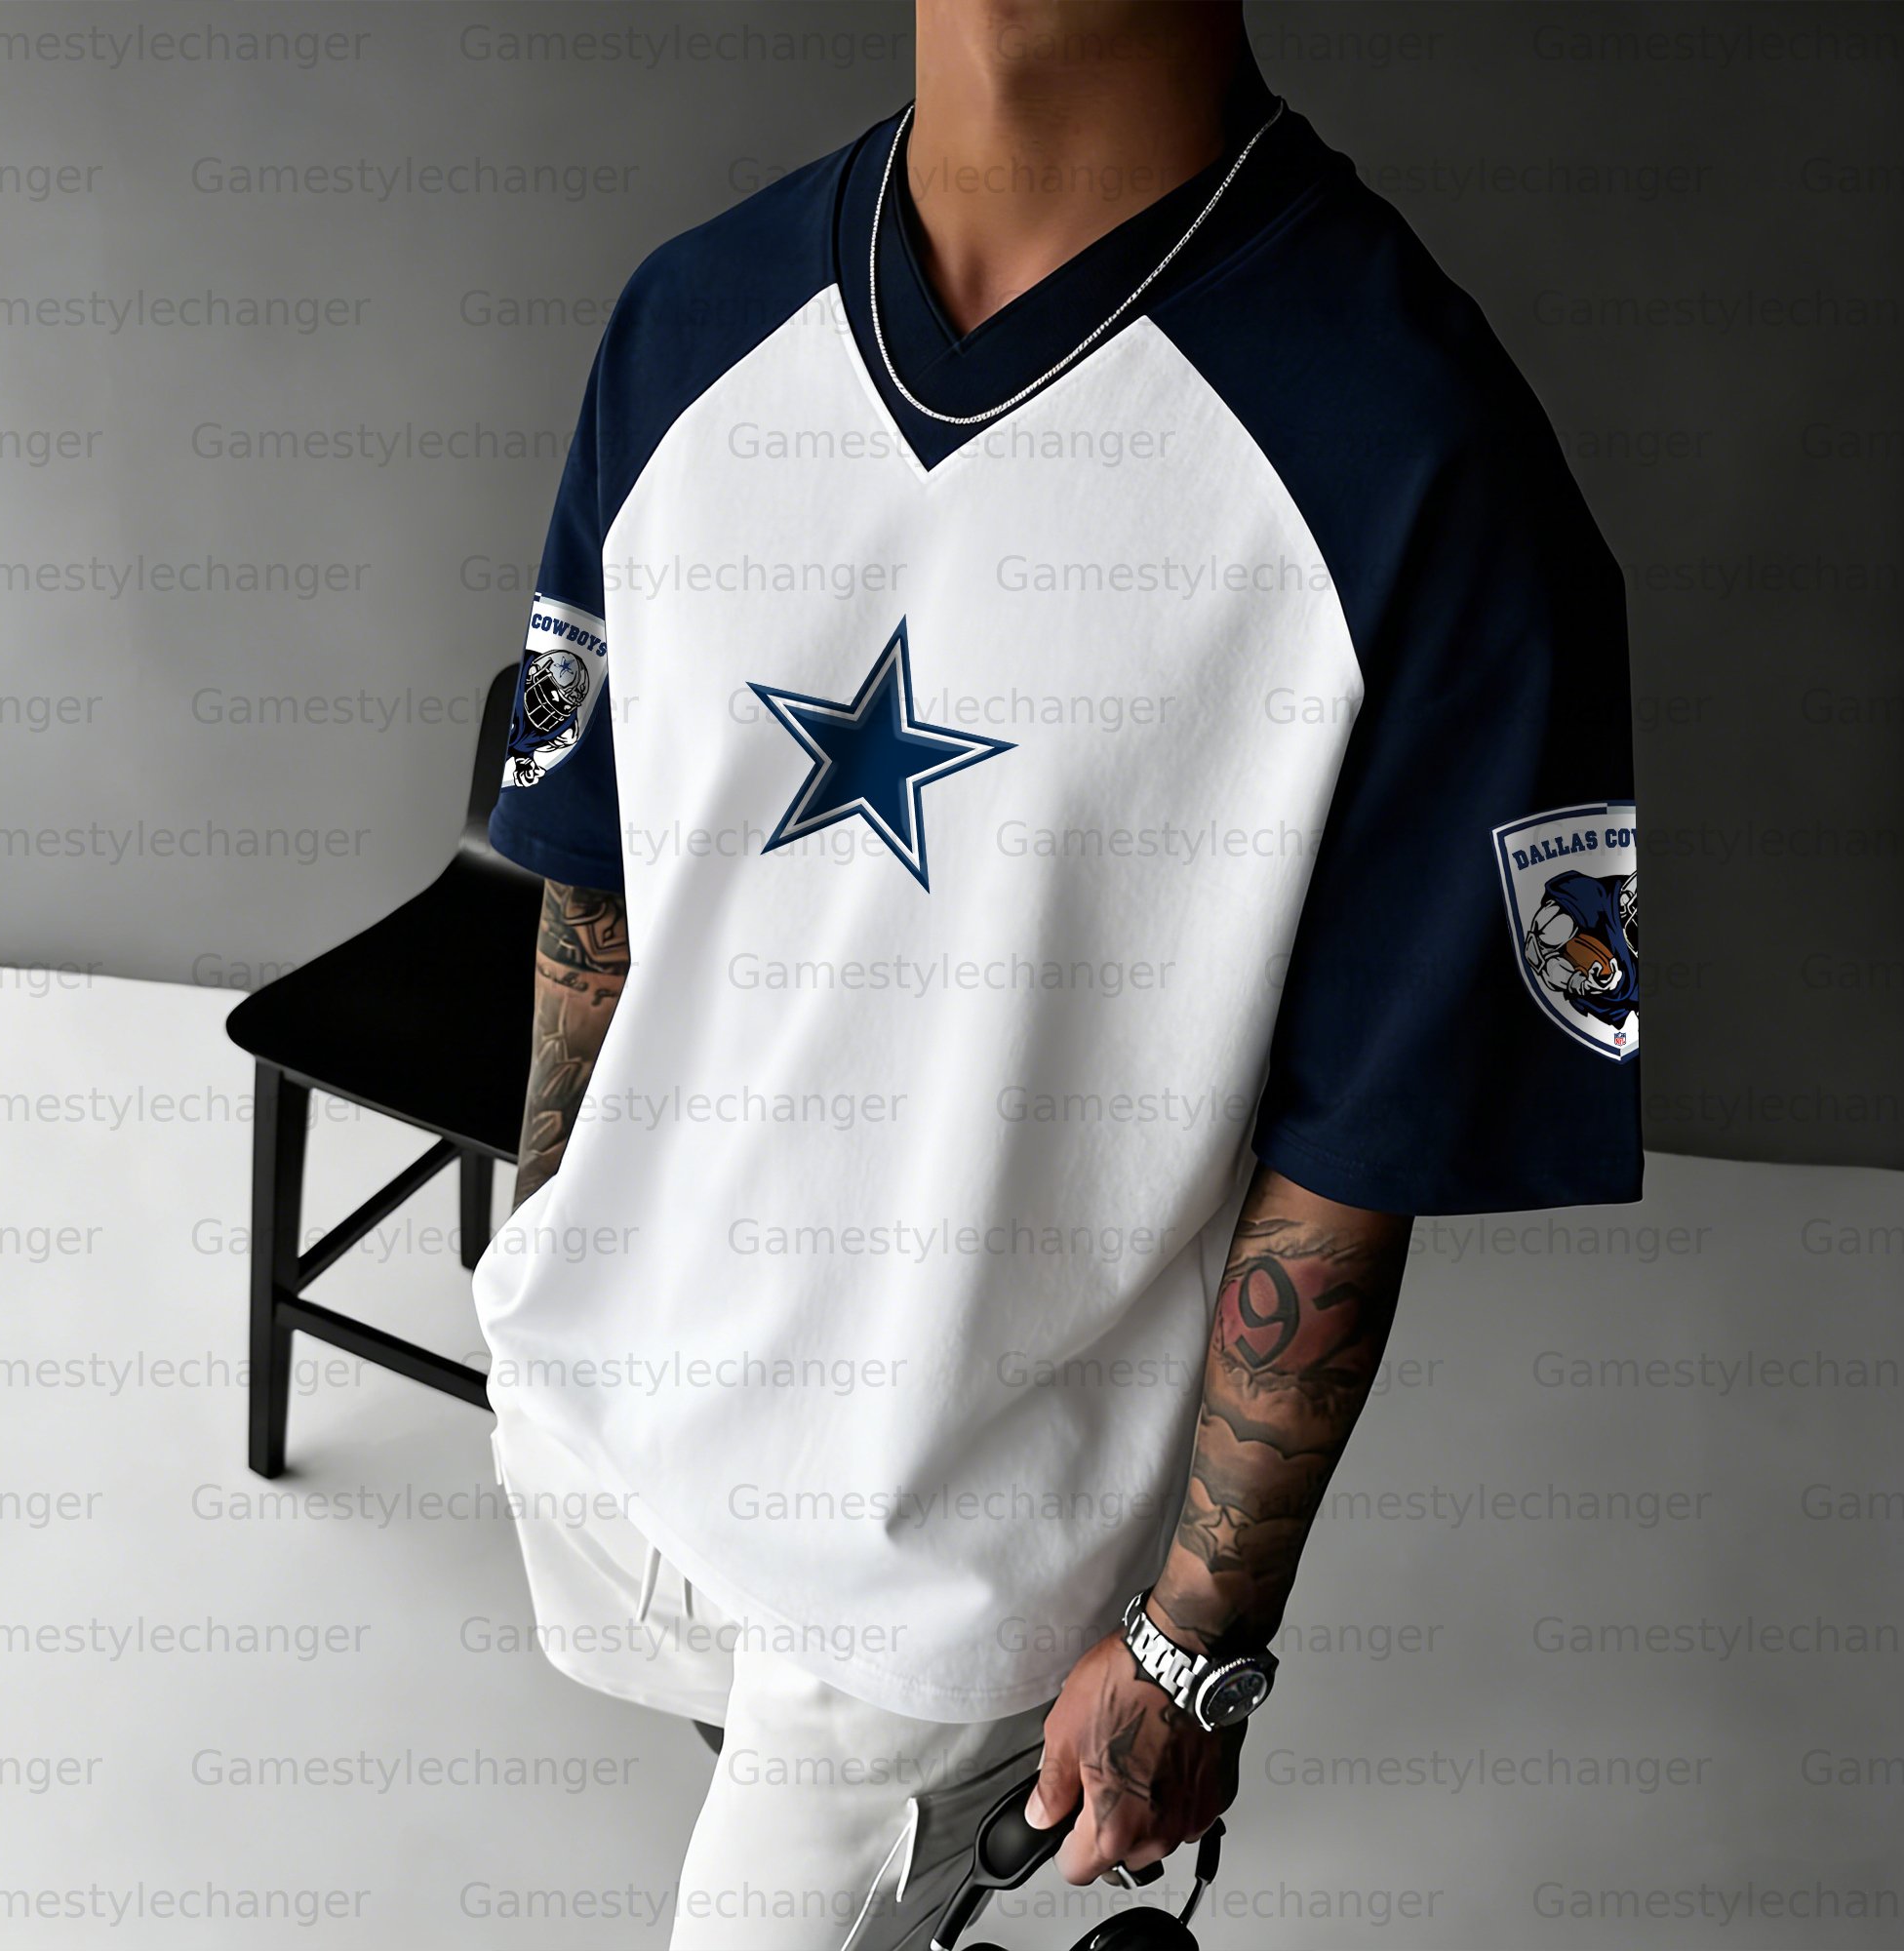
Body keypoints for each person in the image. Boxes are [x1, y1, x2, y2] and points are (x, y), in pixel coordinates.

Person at [470, 2, 1643, 1943]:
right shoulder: (690, 317)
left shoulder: (1422, 464)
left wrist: (1194, 1647)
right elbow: (590, 875)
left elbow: (1359, 1150)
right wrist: (546, 1248)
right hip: (610, 1398)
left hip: (953, 1560)